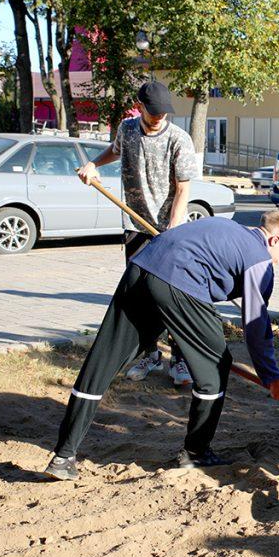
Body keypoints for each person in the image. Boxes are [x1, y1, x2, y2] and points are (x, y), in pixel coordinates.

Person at [43, 211, 279, 481]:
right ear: (274, 239)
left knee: (104, 361)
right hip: (180, 282)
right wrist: (272, 377)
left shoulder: (226, 226)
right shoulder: (260, 261)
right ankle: (196, 452)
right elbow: (256, 327)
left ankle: (64, 456)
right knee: (215, 367)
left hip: (141, 265)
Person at [76, 80, 200, 386]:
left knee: (173, 295)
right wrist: (93, 164)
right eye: (153, 111)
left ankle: (181, 361)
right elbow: (115, 150)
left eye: (163, 112)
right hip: (135, 227)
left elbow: (184, 189)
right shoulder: (127, 130)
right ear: (140, 106)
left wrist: (172, 228)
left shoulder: (178, 139)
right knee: (140, 294)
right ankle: (149, 354)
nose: (159, 117)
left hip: (170, 229)